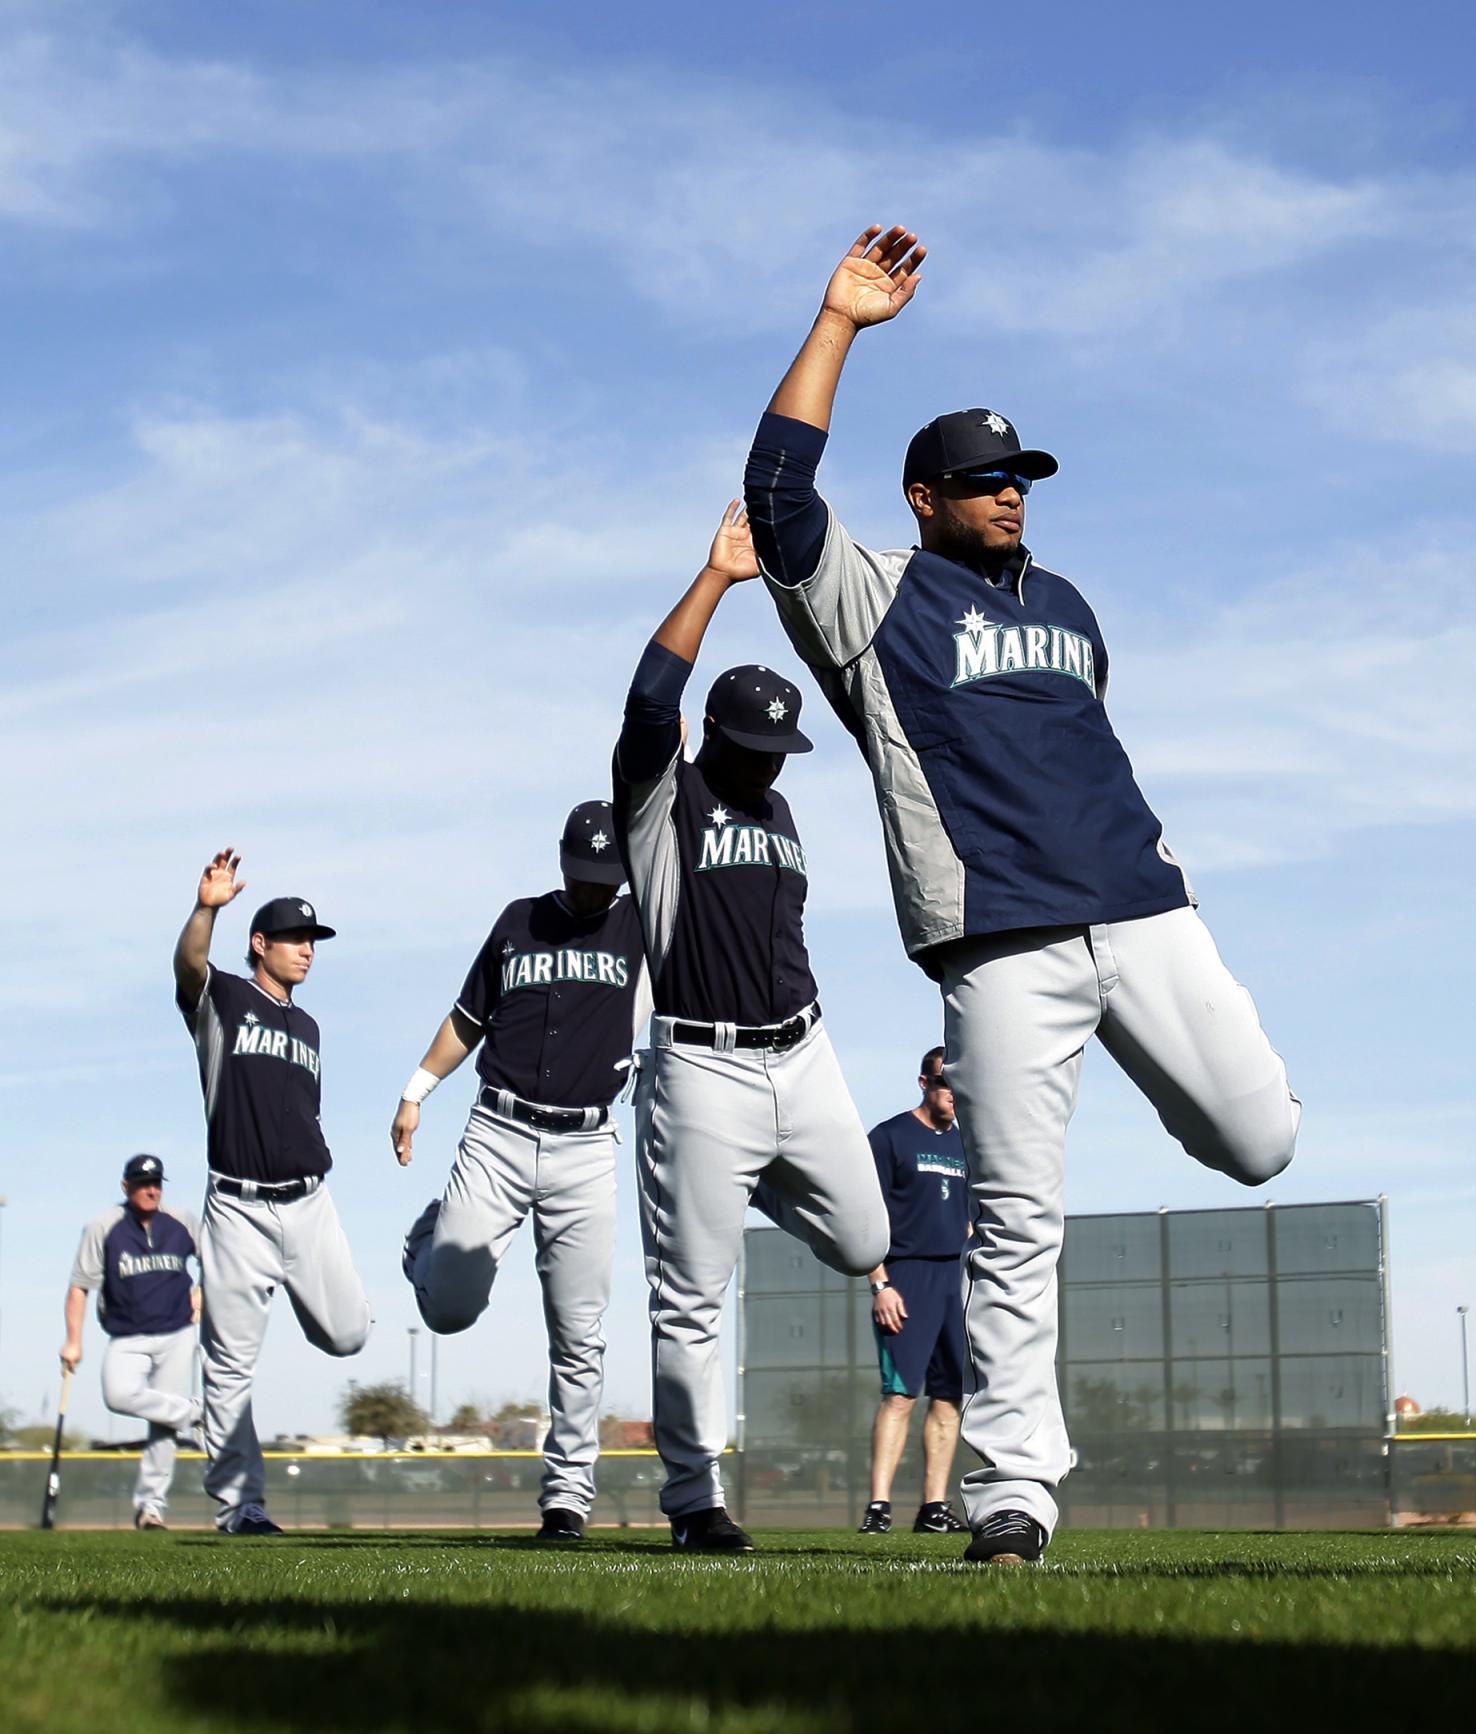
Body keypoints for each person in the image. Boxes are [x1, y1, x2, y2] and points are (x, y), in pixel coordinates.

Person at [743, 225, 1301, 1565]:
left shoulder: (1069, 601)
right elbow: (775, 497)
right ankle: (1012, 1489)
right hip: (1001, 947)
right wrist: (838, 326)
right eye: (983, 478)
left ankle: (1173, 1079)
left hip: (1147, 909)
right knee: (1018, 1220)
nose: (1010, 493)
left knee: (1261, 1139)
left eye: (1022, 476)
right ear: (925, 496)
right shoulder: (872, 600)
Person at [614, 503, 889, 1552]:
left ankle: (745, 1179)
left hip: (804, 1054)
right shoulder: (661, 808)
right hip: (701, 1069)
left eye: (785, 746)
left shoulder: (779, 812)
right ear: (713, 736)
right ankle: (694, 1503)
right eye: (757, 744)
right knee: (691, 1299)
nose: (775, 760)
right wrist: (716, 579)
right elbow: (647, 701)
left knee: (869, 1238)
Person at [392, 800, 646, 1544]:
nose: (598, 889)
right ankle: (429, 1238)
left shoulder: (639, 924)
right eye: (586, 874)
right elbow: (467, 1019)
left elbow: (673, 830)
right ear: (563, 862)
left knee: (580, 1332)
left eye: (610, 875)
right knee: (449, 1311)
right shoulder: (518, 922)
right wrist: (415, 1093)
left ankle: (566, 1497)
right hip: (498, 1132)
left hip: (587, 1146)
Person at [172, 851, 373, 1535]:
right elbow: (189, 967)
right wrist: (208, 909)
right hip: (235, 1209)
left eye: (312, 943)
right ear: (261, 944)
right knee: (228, 1366)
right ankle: (241, 1507)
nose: (307, 952)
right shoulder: (224, 1000)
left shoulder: (309, 1027)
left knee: (348, 1336)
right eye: (295, 940)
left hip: (309, 1203)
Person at [857, 1046, 972, 1537]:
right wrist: (880, 1283)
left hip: (954, 1281)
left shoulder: (967, 1145)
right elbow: (863, 1220)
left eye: (959, 1087)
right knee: (901, 1395)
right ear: (924, 1084)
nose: (953, 1095)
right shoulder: (889, 1138)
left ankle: (934, 1508)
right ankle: (879, 1507)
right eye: (946, 1085)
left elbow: (970, 1218)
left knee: (948, 1397)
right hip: (904, 1278)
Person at [63, 1155, 204, 1529]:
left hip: (176, 1332)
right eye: (143, 1184)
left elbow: (218, 1259)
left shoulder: (181, 1221)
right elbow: (79, 1287)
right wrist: (73, 1341)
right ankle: (197, 1412)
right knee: (117, 1394)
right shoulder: (104, 1227)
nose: (152, 1190)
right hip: (127, 1335)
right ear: (126, 1187)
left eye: (157, 1182)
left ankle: (151, 1508)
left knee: (163, 1427)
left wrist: (203, 1290)